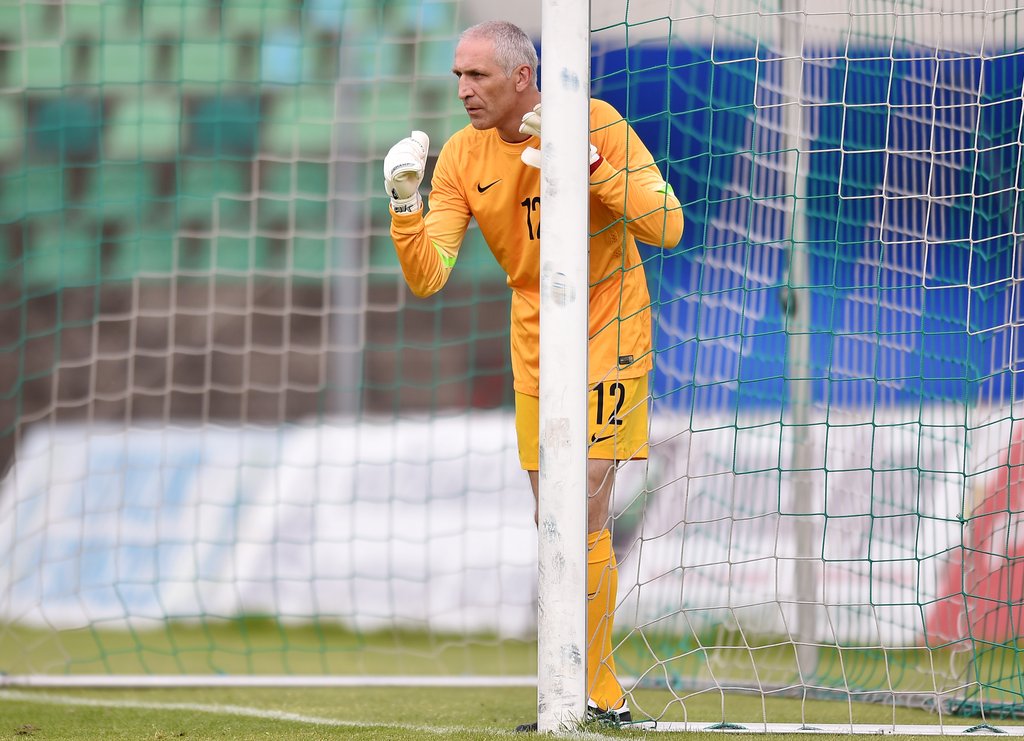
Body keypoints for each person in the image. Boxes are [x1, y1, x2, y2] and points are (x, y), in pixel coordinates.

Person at [384, 19, 683, 730]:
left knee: (584, 501)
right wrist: (405, 204)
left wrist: (587, 162)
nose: (463, 90)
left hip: (610, 324)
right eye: (458, 76)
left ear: (523, 77)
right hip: (535, 340)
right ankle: (573, 685)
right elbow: (429, 274)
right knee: (555, 515)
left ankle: (598, 690)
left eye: (477, 75)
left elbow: (667, 225)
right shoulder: (461, 156)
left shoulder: (596, 121)